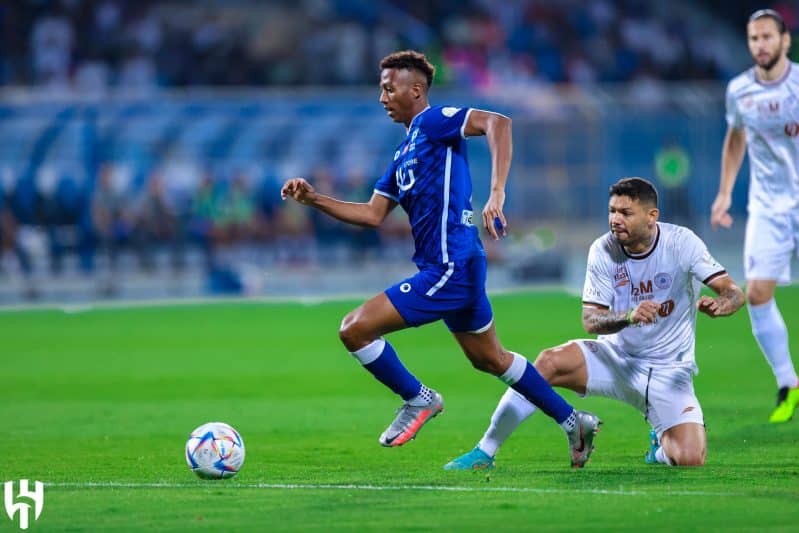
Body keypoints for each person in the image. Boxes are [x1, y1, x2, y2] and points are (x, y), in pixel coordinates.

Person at [280, 50, 600, 467]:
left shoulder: (434, 122)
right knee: (491, 359)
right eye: (381, 88)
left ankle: (418, 398)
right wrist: (315, 199)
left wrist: (497, 192)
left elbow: (497, 123)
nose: (382, 97)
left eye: (389, 88)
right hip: (460, 264)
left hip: (450, 266)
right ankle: (574, 421)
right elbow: (373, 214)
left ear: (416, 90)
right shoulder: (403, 153)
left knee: (354, 329)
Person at [445, 178, 745, 470]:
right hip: (615, 360)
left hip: (669, 370)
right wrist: (628, 316)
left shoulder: (682, 243)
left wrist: (723, 304)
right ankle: (484, 451)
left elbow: (733, 292)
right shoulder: (603, 249)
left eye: (625, 213)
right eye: (612, 211)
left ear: (652, 217)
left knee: (691, 459)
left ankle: (661, 445)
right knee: (547, 362)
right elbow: (591, 321)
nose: (616, 219)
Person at [710, 8, 799, 423]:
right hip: (768, 207)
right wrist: (725, 193)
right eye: (753, 38)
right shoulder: (740, 90)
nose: (760, 45)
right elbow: (735, 138)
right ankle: (788, 383)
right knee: (758, 294)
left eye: (767, 37)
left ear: (785, 41)